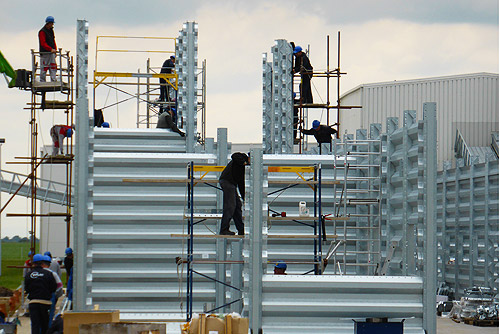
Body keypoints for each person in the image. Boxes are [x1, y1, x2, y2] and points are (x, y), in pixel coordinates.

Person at [24, 254, 57, 334]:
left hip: (33, 303)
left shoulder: (29, 275)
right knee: (44, 325)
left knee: (35, 325)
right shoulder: (48, 274)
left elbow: (27, 289)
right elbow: (53, 288)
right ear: (42, 263)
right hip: (45, 303)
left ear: (33, 263)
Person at [219, 152, 250, 235]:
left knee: (237, 205)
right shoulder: (241, 158)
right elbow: (234, 155)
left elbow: (241, 184)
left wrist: (245, 198)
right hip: (227, 182)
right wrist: (244, 162)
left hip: (232, 184)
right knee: (230, 206)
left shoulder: (244, 169)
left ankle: (241, 229)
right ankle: (224, 229)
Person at [38, 16, 58, 82]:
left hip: (51, 53)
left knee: (53, 67)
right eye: (51, 23)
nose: (52, 25)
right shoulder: (42, 32)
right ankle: (42, 80)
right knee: (44, 68)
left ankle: (53, 79)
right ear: (48, 23)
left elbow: (53, 41)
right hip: (45, 54)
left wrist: (55, 49)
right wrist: (50, 49)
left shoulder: (51, 31)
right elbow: (43, 43)